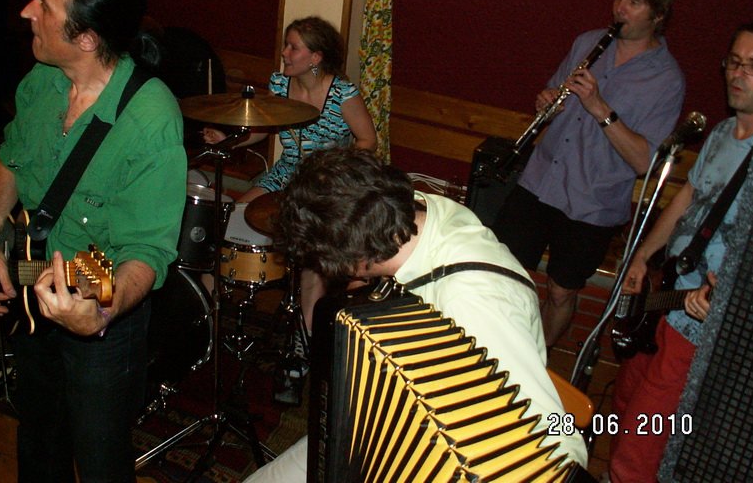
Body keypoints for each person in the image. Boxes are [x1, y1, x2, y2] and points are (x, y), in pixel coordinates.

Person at [244, 147, 588, 482]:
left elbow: (557, 446)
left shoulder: (471, 301)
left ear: (353, 261)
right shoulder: (418, 212)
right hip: (390, 418)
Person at [0, 0, 187, 482]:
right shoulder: (43, 79)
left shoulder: (150, 119)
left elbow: (147, 252)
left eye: (44, 5)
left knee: (99, 459)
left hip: (100, 296)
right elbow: (9, 161)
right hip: (33, 283)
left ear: (86, 38)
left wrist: (100, 314)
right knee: (38, 440)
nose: (26, 11)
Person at [493, 0, 685, 347]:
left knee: (561, 291)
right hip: (541, 180)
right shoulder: (588, 43)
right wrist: (547, 101)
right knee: (499, 271)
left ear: (658, 15)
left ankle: (537, 358)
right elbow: (555, 95)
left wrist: (599, 106)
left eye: (633, 2)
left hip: (593, 202)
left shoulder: (666, 80)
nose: (620, 9)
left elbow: (644, 162)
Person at [607, 20, 753, 483]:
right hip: (666, 295)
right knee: (622, 406)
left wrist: (728, 296)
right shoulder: (721, 132)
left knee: (641, 446)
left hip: (698, 323)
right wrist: (641, 257)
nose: (738, 74)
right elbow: (686, 200)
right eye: (734, 62)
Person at [203, 16, 377, 334]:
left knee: (311, 261)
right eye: (286, 45)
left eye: (293, 47)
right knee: (231, 218)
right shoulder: (280, 84)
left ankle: (305, 337)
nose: (284, 52)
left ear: (315, 57)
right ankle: (206, 315)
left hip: (327, 183)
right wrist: (228, 139)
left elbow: (368, 140)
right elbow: (264, 128)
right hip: (286, 173)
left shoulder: (342, 93)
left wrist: (337, 168)